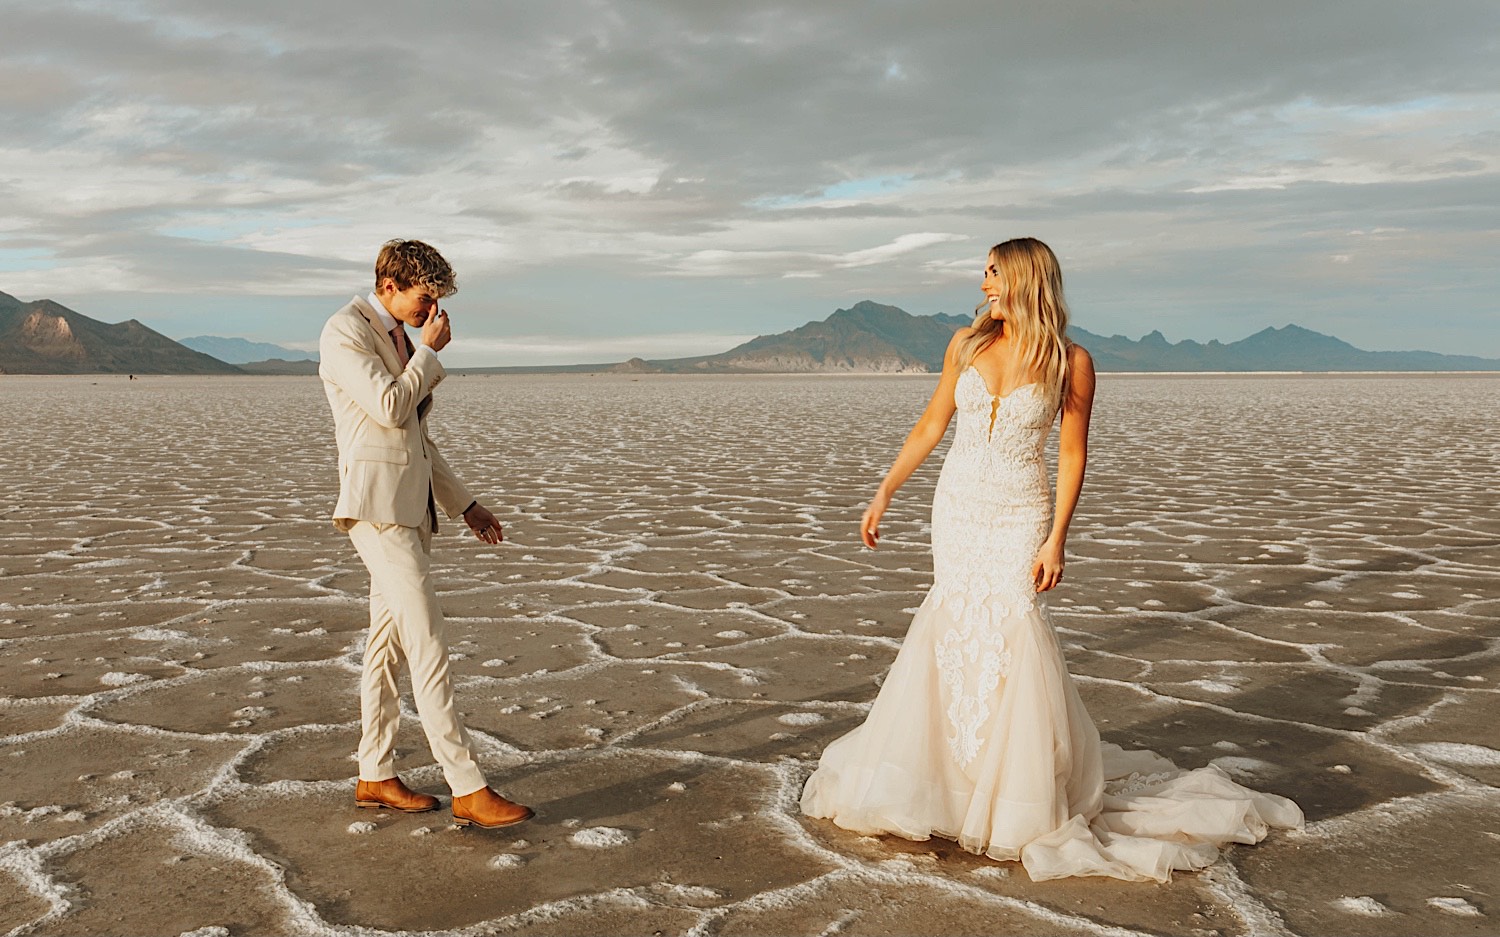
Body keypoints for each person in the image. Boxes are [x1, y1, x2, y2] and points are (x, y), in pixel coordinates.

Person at [800, 237, 1301, 881]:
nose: (983, 284)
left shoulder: (1072, 361)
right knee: (952, 628)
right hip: (958, 507)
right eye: (983, 272)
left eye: (993, 272)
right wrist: (885, 491)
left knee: (1012, 632)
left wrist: (1056, 537)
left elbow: (1070, 456)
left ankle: (1012, 794)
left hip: (1019, 512)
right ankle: (946, 782)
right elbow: (931, 424)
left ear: (1025, 279)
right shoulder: (965, 343)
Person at [318, 239, 532, 829]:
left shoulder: (398, 339)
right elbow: (389, 407)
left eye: (436, 298)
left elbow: (413, 437)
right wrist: (428, 356)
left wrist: (465, 504)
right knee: (428, 641)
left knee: (386, 648)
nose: (431, 309)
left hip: (412, 509)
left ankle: (375, 773)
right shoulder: (345, 332)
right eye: (424, 295)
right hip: (377, 509)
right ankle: (467, 786)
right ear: (389, 284)